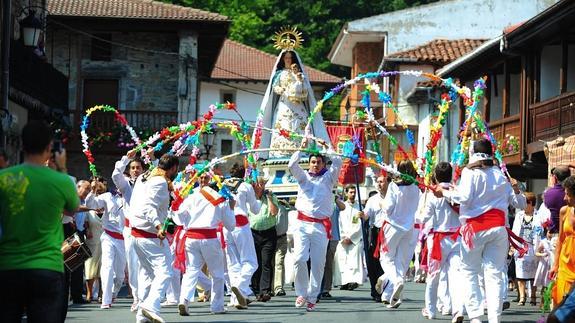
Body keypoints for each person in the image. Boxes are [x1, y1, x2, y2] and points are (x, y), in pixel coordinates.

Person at [434, 138, 526, 323]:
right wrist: (516, 188)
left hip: (474, 230)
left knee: (469, 272)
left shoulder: (470, 173)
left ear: (472, 153)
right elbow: (520, 204)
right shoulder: (501, 174)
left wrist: (443, 192)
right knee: (494, 275)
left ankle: (475, 316)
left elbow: (464, 197)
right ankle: (494, 318)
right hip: (499, 229)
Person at [0, 121, 80, 323]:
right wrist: (61, 168)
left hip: (9, 265)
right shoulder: (62, 180)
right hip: (47, 266)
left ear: (22, 145)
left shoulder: (4, 177)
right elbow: (73, 209)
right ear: (49, 148)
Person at [288, 138, 342, 312]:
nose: (315, 165)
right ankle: (302, 293)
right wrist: (301, 148)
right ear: (309, 163)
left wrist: (327, 148)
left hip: (320, 226)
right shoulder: (303, 177)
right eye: (313, 162)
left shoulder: (329, 177)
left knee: (318, 263)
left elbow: (338, 161)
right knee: (299, 259)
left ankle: (313, 296)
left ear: (323, 163)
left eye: (318, 162)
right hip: (302, 224)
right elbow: (291, 166)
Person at [174, 172, 236, 315]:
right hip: (209, 239)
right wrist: (231, 208)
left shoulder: (190, 197)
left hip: (191, 238)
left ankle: (184, 300)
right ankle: (217, 306)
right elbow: (231, 225)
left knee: (191, 271)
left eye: (205, 177)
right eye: (201, 177)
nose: (203, 180)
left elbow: (179, 219)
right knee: (217, 274)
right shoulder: (220, 199)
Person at [253, 49, 331, 158]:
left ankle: (302, 151)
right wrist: (282, 90)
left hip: (298, 105)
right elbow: (275, 86)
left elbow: (305, 90)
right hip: (284, 104)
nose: (288, 60)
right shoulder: (280, 74)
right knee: (283, 125)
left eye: (290, 58)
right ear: (283, 59)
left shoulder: (299, 74)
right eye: (286, 58)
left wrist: (299, 81)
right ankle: (280, 152)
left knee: (299, 125)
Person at [129, 154, 179, 323]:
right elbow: (148, 207)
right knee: (165, 273)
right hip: (149, 235)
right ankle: (150, 307)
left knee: (150, 276)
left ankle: (141, 316)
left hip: (139, 234)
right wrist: (159, 226)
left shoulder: (146, 177)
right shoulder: (159, 182)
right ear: (173, 168)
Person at [420, 162, 464, 322]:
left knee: (433, 276)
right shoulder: (457, 191)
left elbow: (425, 217)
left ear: (436, 176)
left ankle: (431, 311)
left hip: (438, 240)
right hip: (457, 238)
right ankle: (458, 310)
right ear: (451, 175)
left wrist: (414, 218)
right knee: (456, 276)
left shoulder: (434, 194)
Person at [374, 160, 421, 309]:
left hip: (393, 226)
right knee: (400, 262)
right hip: (409, 228)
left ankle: (394, 280)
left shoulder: (395, 186)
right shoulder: (416, 188)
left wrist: (381, 204)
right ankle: (393, 297)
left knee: (386, 258)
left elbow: (388, 208)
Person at [224, 164, 263, 309]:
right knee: (251, 262)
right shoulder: (246, 186)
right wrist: (258, 195)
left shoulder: (223, 185)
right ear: (243, 174)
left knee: (233, 264)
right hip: (240, 224)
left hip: (226, 226)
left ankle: (236, 298)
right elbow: (256, 209)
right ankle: (240, 288)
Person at [85, 178, 127, 309]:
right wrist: (93, 190)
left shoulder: (132, 196)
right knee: (107, 267)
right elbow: (90, 204)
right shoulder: (107, 196)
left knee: (119, 275)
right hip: (108, 236)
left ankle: (113, 292)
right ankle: (105, 299)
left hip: (124, 239)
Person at [111, 149, 144, 312]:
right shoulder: (126, 185)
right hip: (130, 230)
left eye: (138, 167)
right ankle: (137, 298)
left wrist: (153, 159)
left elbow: (161, 176)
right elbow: (115, 175)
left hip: (147, 230)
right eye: (133, 168)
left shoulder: (148, 183)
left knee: (147, 266)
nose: (135, 170)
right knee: (133, 264)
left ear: (143, 170)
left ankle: (146, 297)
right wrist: (126, 159)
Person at [249, 177, 280, 302]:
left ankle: (265, 291)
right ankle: (255, 290)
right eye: (257, 183)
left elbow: (274, 212)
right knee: (255, 263)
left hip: (269, 233)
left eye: (261, 183)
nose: (259, 186)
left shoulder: (271, 197)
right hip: (253, 233)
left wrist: (269, 198)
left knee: (266, 262)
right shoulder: (249, 198)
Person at [511, 192, 540, 306]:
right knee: (520, 274)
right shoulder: (519, 216)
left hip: (533, 248)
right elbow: (514, 231)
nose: (523, 205)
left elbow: (541, 232)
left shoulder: (538, 216)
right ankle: (522, 297)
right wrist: (512, 246)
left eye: (525, 203)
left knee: (534, 275)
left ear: (531, 204)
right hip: (521, 248)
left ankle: (533, 296)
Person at [363, 174, 388, 301]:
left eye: (382, 182)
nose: (379, 184)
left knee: (387, 262)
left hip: (389, 233)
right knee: (374, 262)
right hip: (375, 232)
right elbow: (367, 215)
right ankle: (375, 290)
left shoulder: (392, 198)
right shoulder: (372, 200)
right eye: (378, 182)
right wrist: (362, 215)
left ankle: (386, 290)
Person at [551, 175, 575, 307]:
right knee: (562, 303)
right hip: (565, 263)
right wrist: (555, 265)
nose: (565, 198)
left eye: (568, 195)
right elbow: (560, 239)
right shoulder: (564, 211)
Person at [336, 185, 366, 290]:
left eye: (354, 192)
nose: (353, 194)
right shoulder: (342, 206)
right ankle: (344, 281)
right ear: (346, 193)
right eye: (351, 192)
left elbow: (359, 225)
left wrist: (351, 237)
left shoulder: (360, 207)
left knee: (354, 261)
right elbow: (339, 223)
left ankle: (354, 281)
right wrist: (343, 236)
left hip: (355, 239)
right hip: (343, 238)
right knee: (342, 260)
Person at [321, 195, 344, 298]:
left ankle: (326, 288)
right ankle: (316, 287)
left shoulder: (334, 204)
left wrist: (335, 198)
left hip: (333, 237)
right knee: (318, 263)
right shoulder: (319, 200)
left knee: (328, 264)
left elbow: (343, 207)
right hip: (320, 236)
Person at [545, 166, 570, 234]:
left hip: (556, 233)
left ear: (555, 177)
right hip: (571, 232)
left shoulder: (549, 193)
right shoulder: (572, 191)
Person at [273, 199, 290, 297]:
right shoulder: (269, 207)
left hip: (282, 237)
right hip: (271, 238)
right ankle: (271, 287)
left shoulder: (284, 207)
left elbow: (293, 208)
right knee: (271, 263)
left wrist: (285, 202)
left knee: (279, 261)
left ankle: (278, 287)